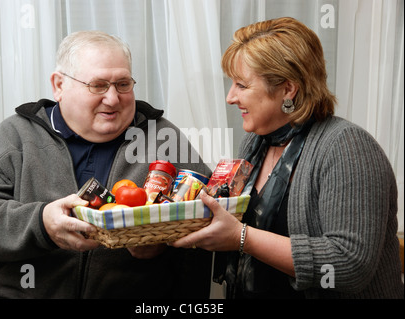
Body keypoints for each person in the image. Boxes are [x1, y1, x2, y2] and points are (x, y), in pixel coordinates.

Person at [0, 31, 212, 298]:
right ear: (59, 86)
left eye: (123, 84)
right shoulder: (15, 137)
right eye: (98, 85)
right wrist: (41, 224)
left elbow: (211, 222)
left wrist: (162, 244)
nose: (113, 99)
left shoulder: (163, 139)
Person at [172, 17, 404, 299]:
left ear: (287, 89)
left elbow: (347, 265)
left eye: (242, 85)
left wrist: (241, 237)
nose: (230, 97)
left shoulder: (347, 147)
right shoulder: (257, 142)